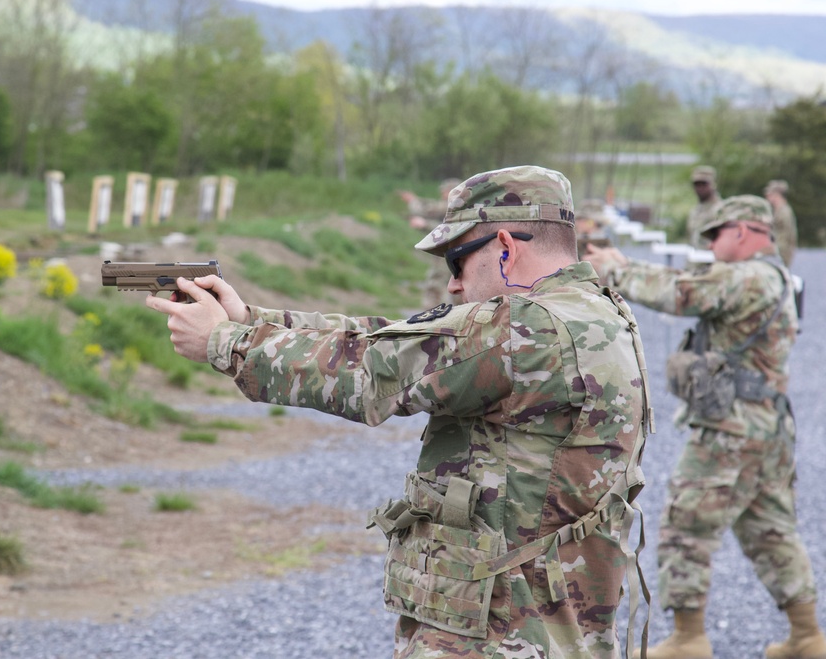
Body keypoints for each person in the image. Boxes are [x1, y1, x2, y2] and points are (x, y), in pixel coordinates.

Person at [147, 165, 653, 658]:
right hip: (556, 628)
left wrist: (224, 342)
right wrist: (253, 319)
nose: (453, 285)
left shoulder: (524, 330)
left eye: (457, 261)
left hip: (495, 635)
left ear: (504, 247)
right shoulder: (597, 313)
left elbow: (368, 372)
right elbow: (401, 341)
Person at [585, 195, 826, 659]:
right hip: (765, 426)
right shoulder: (772, 276)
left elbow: (681, 292)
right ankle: (807, 636)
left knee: (685, 523)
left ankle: (689, 639)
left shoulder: (750, 276)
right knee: (771, 528)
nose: (711, 245)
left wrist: (616, 268)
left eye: (716, 234)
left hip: (730, 429)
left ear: (742, 230)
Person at [399, 178, 460, 307]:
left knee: (436, 284)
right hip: (456, 250)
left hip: (450, 250)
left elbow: (447, 227)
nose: (442, 195)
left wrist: (424, 224)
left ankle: (432, 316)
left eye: (444, 192)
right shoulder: (459, 205)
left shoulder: (454, 204)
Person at [686, 166, 723, 248]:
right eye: (697, 184)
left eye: (704, 184)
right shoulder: (695, 211)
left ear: (713, 184)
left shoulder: (721, 209)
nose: (700, 188)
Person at [764, 179, 798, 267]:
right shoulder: (779, 211)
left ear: (777, 194)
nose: (767, 196)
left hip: (781, 254)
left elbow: (786, 237)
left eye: (770, 194)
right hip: (779, 253)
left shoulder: (784, 212)